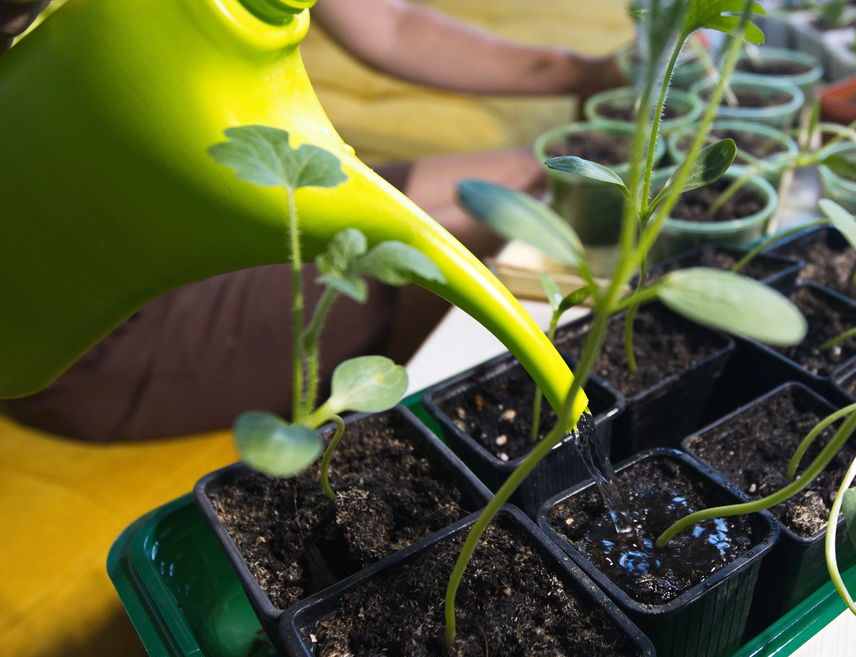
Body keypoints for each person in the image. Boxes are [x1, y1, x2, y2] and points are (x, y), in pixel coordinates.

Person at [2, 0, 625, 441]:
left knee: (552, 181)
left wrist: (595, 72)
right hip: (88, 328)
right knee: (458, 252)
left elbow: (391, 25)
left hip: (209, 203)